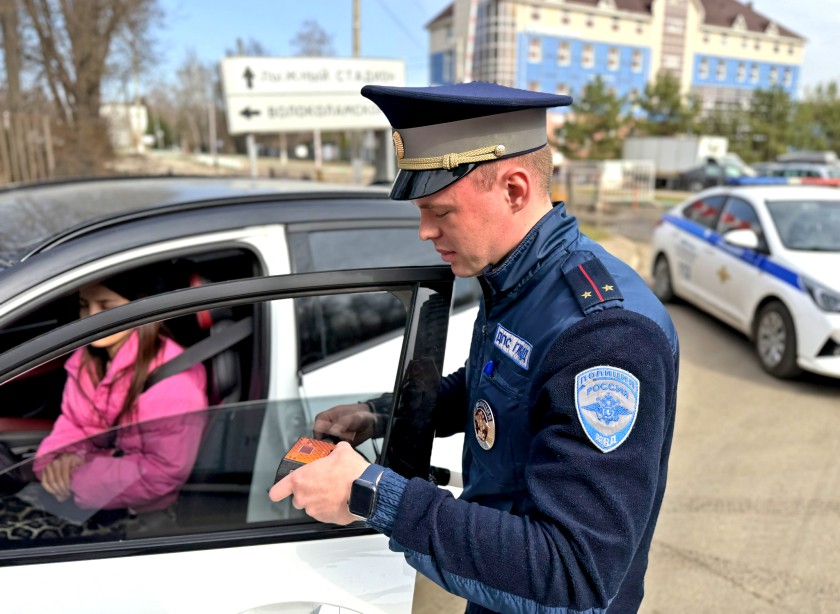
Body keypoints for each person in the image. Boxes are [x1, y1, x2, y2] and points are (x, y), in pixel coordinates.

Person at [269, 82, 680, 613]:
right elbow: (494, 385)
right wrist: (381, 416)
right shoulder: (519, 278)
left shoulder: (606, 336)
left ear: (513, 190)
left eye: (441, 212)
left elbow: (576, 570)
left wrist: (370, 492)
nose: (424, 231)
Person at [31, 268, 208, 516]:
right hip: (94, 497)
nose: (91, 317)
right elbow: (75, 423)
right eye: (84, 305)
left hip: (142, 516)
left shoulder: (174, 383)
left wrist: (78, 477)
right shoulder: (85, 361)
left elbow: (164, 472)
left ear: (139, 307)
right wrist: (59, 461)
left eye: (106, 306)